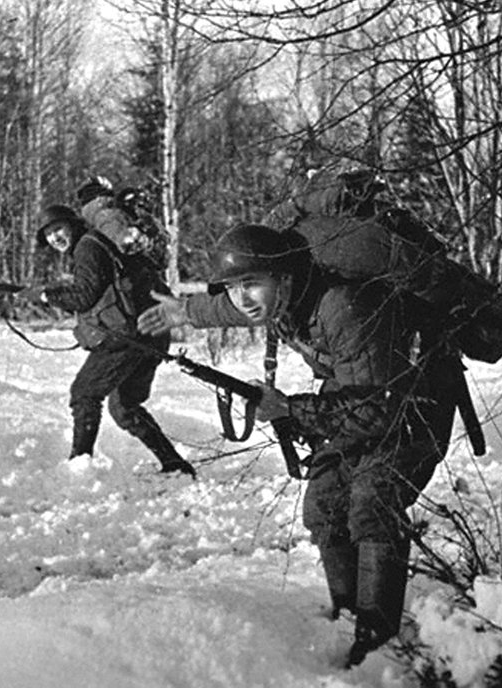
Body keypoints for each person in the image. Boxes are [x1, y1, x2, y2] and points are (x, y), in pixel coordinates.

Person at [138, 223, 461, 666]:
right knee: (325, 503)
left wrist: (292, 410)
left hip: (416, 401)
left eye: (251, 284)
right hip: (358, 393)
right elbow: (237, 306)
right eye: (233, 287)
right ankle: (347, 617)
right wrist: (187, 311)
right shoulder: (287, 294)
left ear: (285, 278)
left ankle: (380, 644)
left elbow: (376, 412)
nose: (242, 297)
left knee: (373, 499)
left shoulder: (344, 307)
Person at [24, 203, 196, 478]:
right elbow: (93, 289)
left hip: (127, 338)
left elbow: (85, 295)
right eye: (49, 234)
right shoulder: (96, 243)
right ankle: (175, 465)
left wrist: (46, 296)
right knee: (124, 407)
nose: (55, 237)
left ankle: (80, 467)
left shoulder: (87, 247)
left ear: (72, 224)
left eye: (59, 229)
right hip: (150, 334)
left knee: (84, 393)